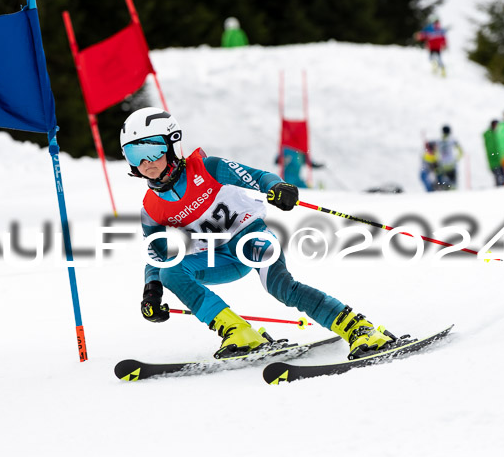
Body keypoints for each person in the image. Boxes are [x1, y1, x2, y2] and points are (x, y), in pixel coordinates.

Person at [120, 107, 399, 359]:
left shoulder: (208, 168)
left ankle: (358, 328)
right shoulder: (151, 208)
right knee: (171, 272)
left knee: (280, 287)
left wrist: (277, 188)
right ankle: (238, 332)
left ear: (173, 145)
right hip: (218, 257)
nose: (146, 163)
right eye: (135, 155)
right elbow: (156, 255)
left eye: (153, 151)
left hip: (250, 238)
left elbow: (258, 177)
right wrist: (151, 291)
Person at [435, 125, 464, 190]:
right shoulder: (453, 140)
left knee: (445, 185)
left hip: (443, 165)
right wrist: (457, 159)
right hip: (452, 164)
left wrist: (439, 161)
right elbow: (461, 151)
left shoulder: (438, 141)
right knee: (453, 185)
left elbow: (436, 153)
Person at [483, 120, 504, 186]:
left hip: (500, 161)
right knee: (499, 179)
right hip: (495, 161)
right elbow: (492, 149)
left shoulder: (496, 133)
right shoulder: (490, 135)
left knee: (503, 178)